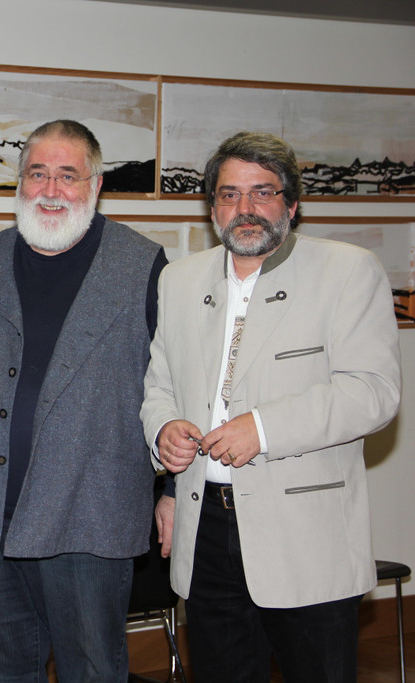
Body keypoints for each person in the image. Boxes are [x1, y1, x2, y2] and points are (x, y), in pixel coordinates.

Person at [142, 131, 401, 682]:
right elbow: (159, 383)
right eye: (230, 194)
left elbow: (372, 391)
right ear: (213, 207)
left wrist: (262, 429)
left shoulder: (347, 271)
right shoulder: (179, 281)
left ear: (292, 203)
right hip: (204, 530)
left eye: (262, 192)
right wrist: (163, 429)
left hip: (305, 537)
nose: (246, 208)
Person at [0, 120, 167, 681]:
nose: (50, 190)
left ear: (95, 185)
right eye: (37, 173)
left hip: (89, 523)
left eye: (67, 175)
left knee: (91, 671)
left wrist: (173, 492)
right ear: (20, 182)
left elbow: (175, 390)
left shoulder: (144, 267)